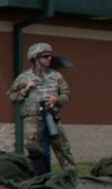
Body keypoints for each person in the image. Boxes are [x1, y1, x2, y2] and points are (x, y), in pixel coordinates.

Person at [7, 42, 73, 170]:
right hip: (32, 119)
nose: (49, 58)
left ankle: (71, 178)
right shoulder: (23, 78)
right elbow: (11, 97)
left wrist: (57, 99)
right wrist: (25, 89)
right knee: (35, 152)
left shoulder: (56, 76)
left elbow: (67, 94)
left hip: (52, 117)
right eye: (45, 56)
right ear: (35, 58)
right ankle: (40, 179)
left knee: (63, 149)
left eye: (50, 56)